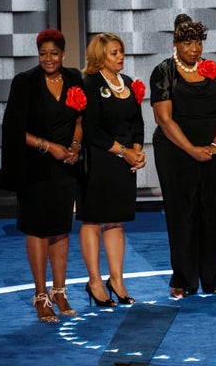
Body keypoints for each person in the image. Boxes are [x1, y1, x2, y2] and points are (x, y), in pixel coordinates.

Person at [1, 29, 83, 322]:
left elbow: (80, 119)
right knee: (37, 228)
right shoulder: (24, 82)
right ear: (38, 54)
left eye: (54, 53)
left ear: (63, 53)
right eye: (43, 53)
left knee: (60, 228)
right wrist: (50, 147)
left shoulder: (74, 79)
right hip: (33, 168)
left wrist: (74, 145)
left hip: (65, 169)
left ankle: (59, 291)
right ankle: (40, 295)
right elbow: (14, 131)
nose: (48, 59)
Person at [150, 14, 216, 298]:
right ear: (175, 43)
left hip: (215, 152)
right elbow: (164, 119)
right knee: (182, 214)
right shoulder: (164, 71)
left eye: (197, 42)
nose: (194, 48)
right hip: (176, 152)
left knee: (215, 213)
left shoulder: (214, 69)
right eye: (187, 42)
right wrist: (192, 150)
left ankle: (213, 278)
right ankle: (183, 279)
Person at [79, 33, 146, 307]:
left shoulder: (127, 83)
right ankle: (94, 281)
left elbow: (137, 123)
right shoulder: (90, 84)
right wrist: (123, 151)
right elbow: (92, 130)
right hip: (99, 160)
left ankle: (116, 279)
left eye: (121, 52)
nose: (120, 57)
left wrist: (138, 152)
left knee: (116, 221)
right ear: (99, 57)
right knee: (93, 220)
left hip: (125, 161)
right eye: (113, 53)